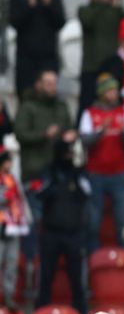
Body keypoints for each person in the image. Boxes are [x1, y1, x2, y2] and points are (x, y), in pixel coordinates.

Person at [14, 70, 74, 238]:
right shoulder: (28, 106)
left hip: (58, 173)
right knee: (35, 219)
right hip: (35, 172)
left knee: (58, 218)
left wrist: (69, 136)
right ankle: (32, 260)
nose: (52, 87)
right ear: (38, 85)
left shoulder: (61, 106)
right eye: (48, 83)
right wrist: (44, 135)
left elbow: (68, 128)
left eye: (54, 83)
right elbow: (20, 134)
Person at [34, 134, 89, 314]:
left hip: (74, 232)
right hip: (51, 231)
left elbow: (87, 193)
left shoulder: (79, 172)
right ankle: (41, 310)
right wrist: (53, 185)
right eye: (66, 153)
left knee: (76, 275)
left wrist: (75, 175)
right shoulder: (49, 171)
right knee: (46, 274)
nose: (68, 157)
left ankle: (80, 311)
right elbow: (39, 193)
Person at [80, 73, 124, 254]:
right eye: (111, 90)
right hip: (96, 173)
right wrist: (101, 131)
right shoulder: (89, 114)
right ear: (102, 93)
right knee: (93, 221)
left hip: (120, 173)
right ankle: (93, 257)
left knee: (122, 221)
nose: (115, 94)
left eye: (116, 90)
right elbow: (85, 142)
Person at [9, 0, 66, 100]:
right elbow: (14, 21)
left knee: (48, 96)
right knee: (26, 96)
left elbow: (60, 22)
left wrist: (49, 4)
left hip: (48, 57)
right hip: (26, 59)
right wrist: (28, 5)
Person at [79, 0, 124, 114]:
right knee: (87, 105)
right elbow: (88, 22)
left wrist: (118, 6)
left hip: (111, 67)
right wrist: (100, 3)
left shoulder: (114, 10)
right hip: (91, 66)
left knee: (113, 104)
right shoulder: (85, 10)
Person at [0, 150, 32, 310]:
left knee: (12, 261)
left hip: (13, 226)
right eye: (7, 161)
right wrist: (5, 196)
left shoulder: (12, 178)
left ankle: (8, 296)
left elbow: (18, 196)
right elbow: (5, 197)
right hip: (1, 225)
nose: (10, 164)